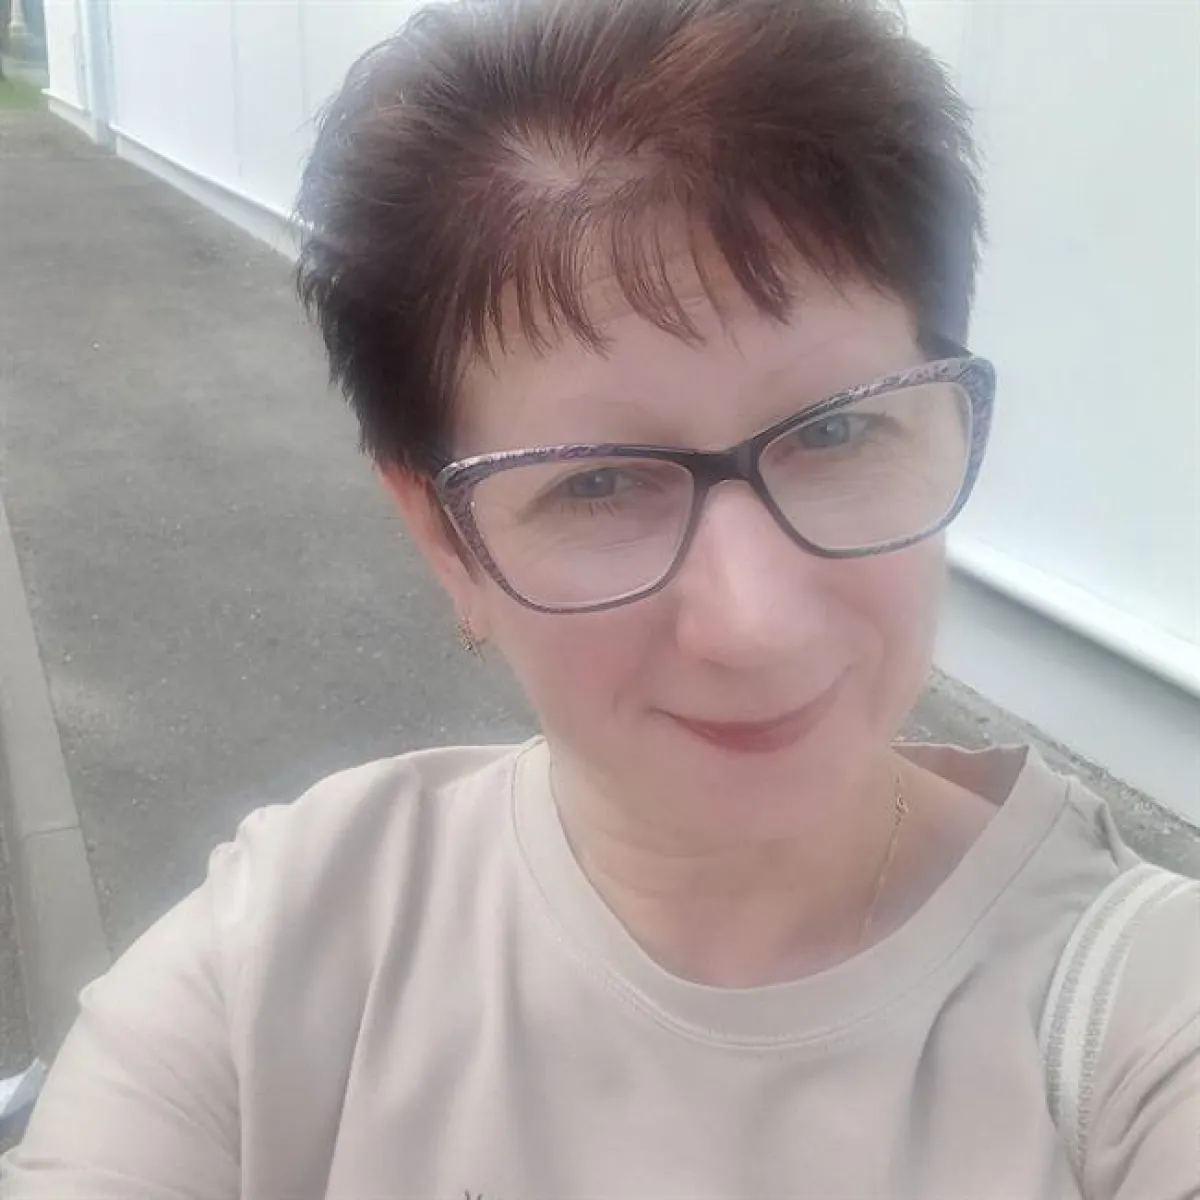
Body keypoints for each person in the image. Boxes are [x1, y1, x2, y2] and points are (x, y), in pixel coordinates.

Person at [3, 0, 1198, 1196]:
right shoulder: (283, 962)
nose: (755, 622)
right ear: (446, 540)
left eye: (837, 431)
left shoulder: (1134, 1027)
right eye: (599, 483)